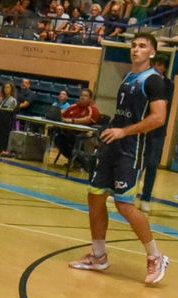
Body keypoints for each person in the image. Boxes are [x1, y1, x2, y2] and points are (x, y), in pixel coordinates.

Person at [68, 32, 172, 285]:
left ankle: (156, 256)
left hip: (131, 148)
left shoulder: (154, 81)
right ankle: (99, 255)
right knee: (94, 196)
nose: (136, 49)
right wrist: (110, 128)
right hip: (113, 144)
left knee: (124, 206)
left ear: (152, 52)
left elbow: (158, 118)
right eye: (134, 45)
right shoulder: (128, 77)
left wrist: (123, 131)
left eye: (142, 46)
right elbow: (124, 113)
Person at [136, 56, 171, 213]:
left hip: (156, 131)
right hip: (140, 128)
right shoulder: (142, 80)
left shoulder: (168, 85)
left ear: (164, 68)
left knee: (151, 164)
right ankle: (126, 192)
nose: (156, 67)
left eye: (159, 65)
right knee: (135, 162)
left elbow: (161, 107)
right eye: (154, 64)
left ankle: (146, 198)